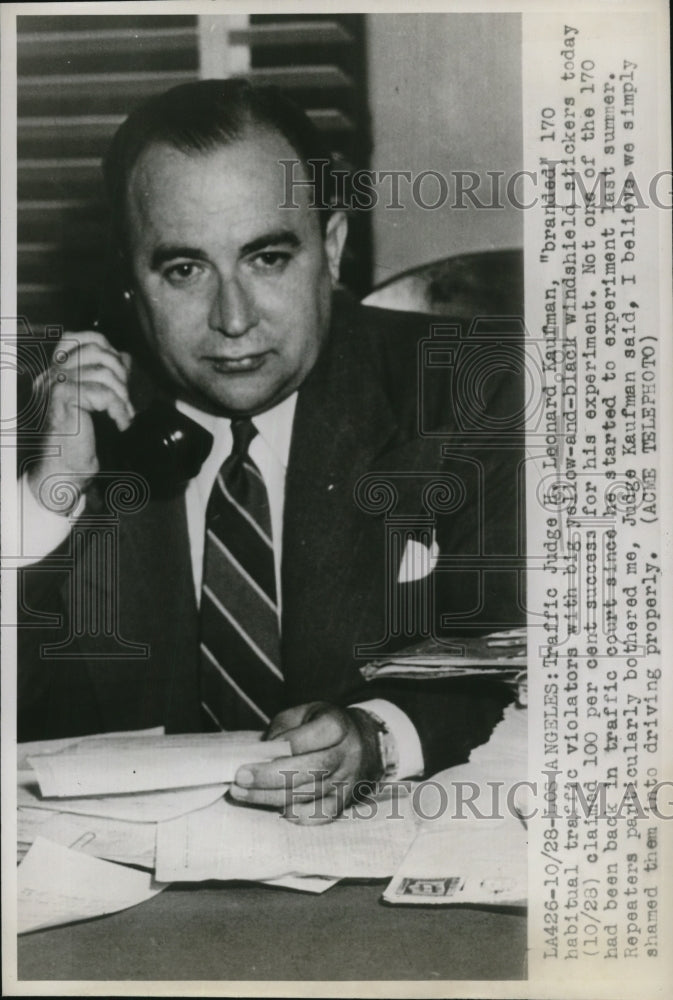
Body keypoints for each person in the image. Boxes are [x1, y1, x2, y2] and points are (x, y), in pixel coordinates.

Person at [17, 79, 524, 821]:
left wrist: (377, 737)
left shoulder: (479, 393)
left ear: (333, 248)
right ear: (130, 283)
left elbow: (526, 668)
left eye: (267, 258)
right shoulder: (50, 416)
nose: (232, 319)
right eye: (184, 269)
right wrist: (46, 498)